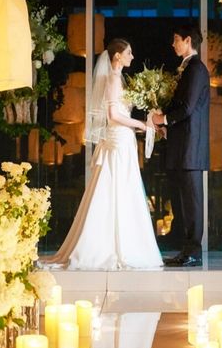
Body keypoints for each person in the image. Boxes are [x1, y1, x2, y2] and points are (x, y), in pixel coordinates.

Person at [44, 38, 163, 270]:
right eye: (128, 53)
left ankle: (122, 242)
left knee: (123, 188)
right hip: (118, 139)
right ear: (117, 56)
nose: (132, 57)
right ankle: (110, 246)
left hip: (123, 139)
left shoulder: (118, 79)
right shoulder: (112, 79)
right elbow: (113, 116)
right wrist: (141, 124)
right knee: (115, 187)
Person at [152, 25, 209, 267]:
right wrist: (166, 125)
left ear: (187, 40)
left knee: (192, 202)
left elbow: (187, 107)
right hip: (182, 145)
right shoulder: (187, 68)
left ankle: (193, 252)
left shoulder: (196, 69)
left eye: (176, 39)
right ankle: (186, 250)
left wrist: (163, 119)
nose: (173, 44)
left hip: (190, 147)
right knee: (183, 202)